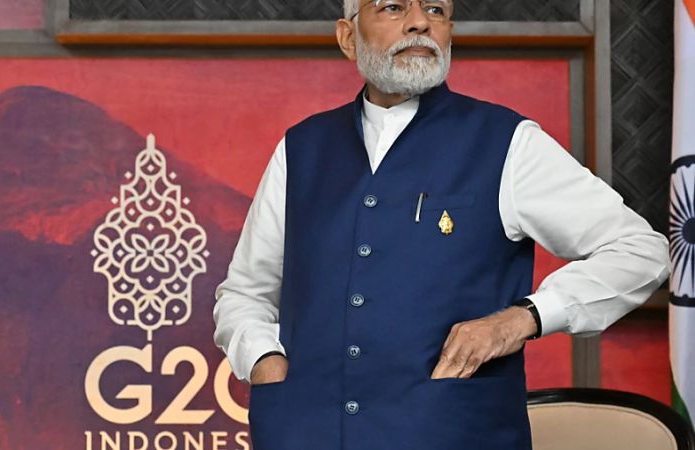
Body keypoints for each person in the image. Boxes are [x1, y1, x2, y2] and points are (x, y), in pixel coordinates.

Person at [212, 0, 671, 448]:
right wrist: (265, 362)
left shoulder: (507, 142)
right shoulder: (301, 149)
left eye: (436, 10)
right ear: (348, 37)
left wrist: (521, 319)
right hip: (302, 434)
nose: (419, 23)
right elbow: (245, 293)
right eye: (393, 8)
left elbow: (640, 251)